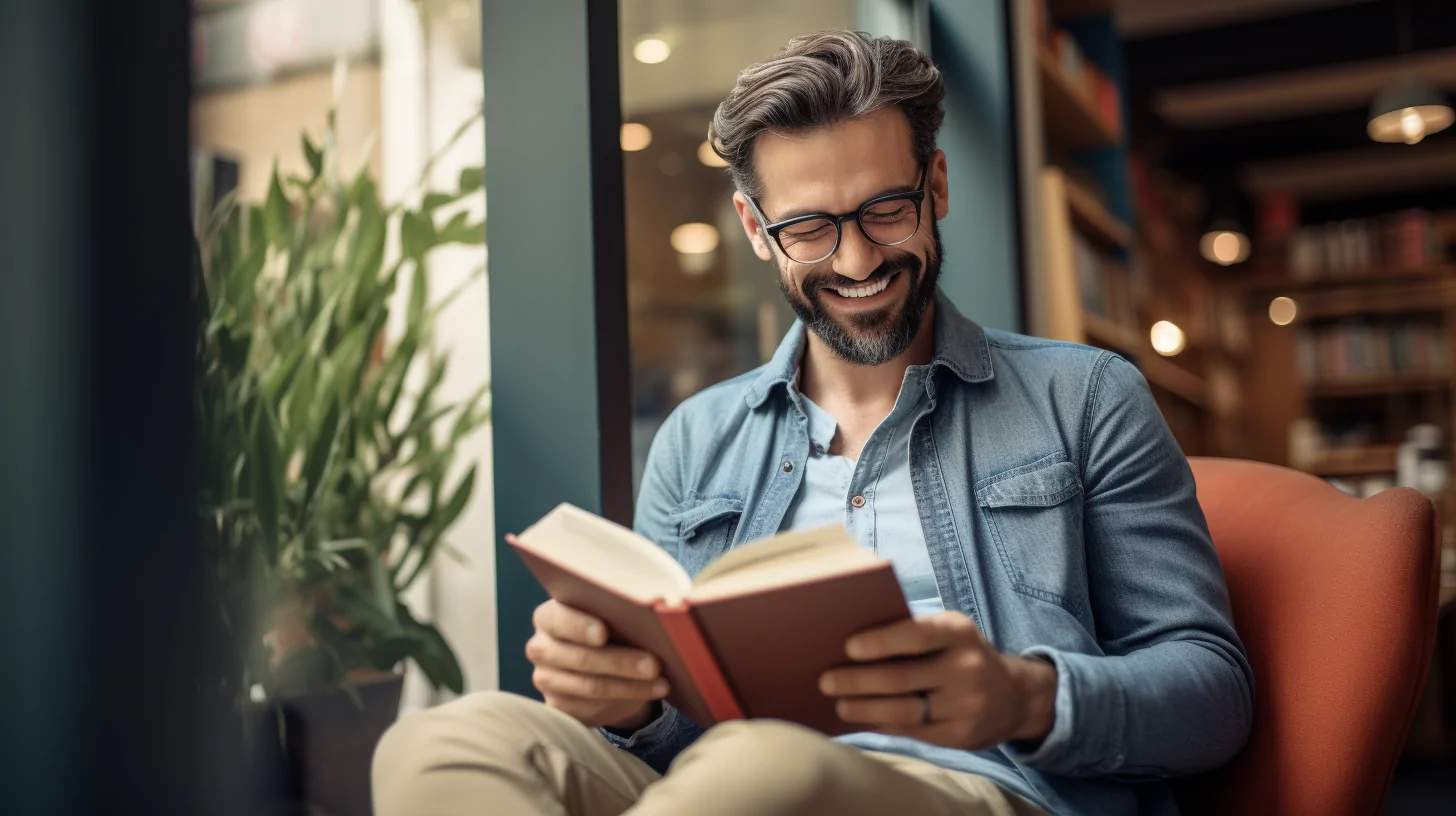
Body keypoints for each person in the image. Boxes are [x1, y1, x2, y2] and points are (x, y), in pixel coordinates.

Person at [373, 30, 1253, 816]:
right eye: (810, 229)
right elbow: (679, 748)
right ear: (757, 230)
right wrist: (630, 705)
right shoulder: (699, 437)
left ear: (936, 185)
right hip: (716, 784)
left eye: (885, 210)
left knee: (762, 772)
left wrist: (1024, 697)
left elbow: (1213, 692)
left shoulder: (1087, 396)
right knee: (439, 741)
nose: (860, 259)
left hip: (985, 788)